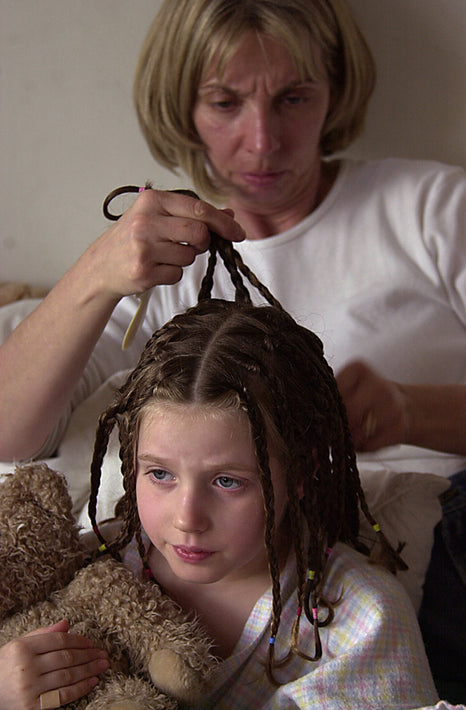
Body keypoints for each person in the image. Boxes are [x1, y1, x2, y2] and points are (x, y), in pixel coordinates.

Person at [0, 0, 464, 698]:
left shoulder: (432, 212)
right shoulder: (165, 262)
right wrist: (98, 273)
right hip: (245, 575)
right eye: (224, 103)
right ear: (182, 107)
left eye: (293, 98)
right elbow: (11, 434)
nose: (262, 140)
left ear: (335, 90)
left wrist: (412, 412)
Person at [0, 242, 441, 708]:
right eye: (160, 475)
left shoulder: (358, 622)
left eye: (227, 481)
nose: (187, 518)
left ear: (301, 472)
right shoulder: (99, 562)